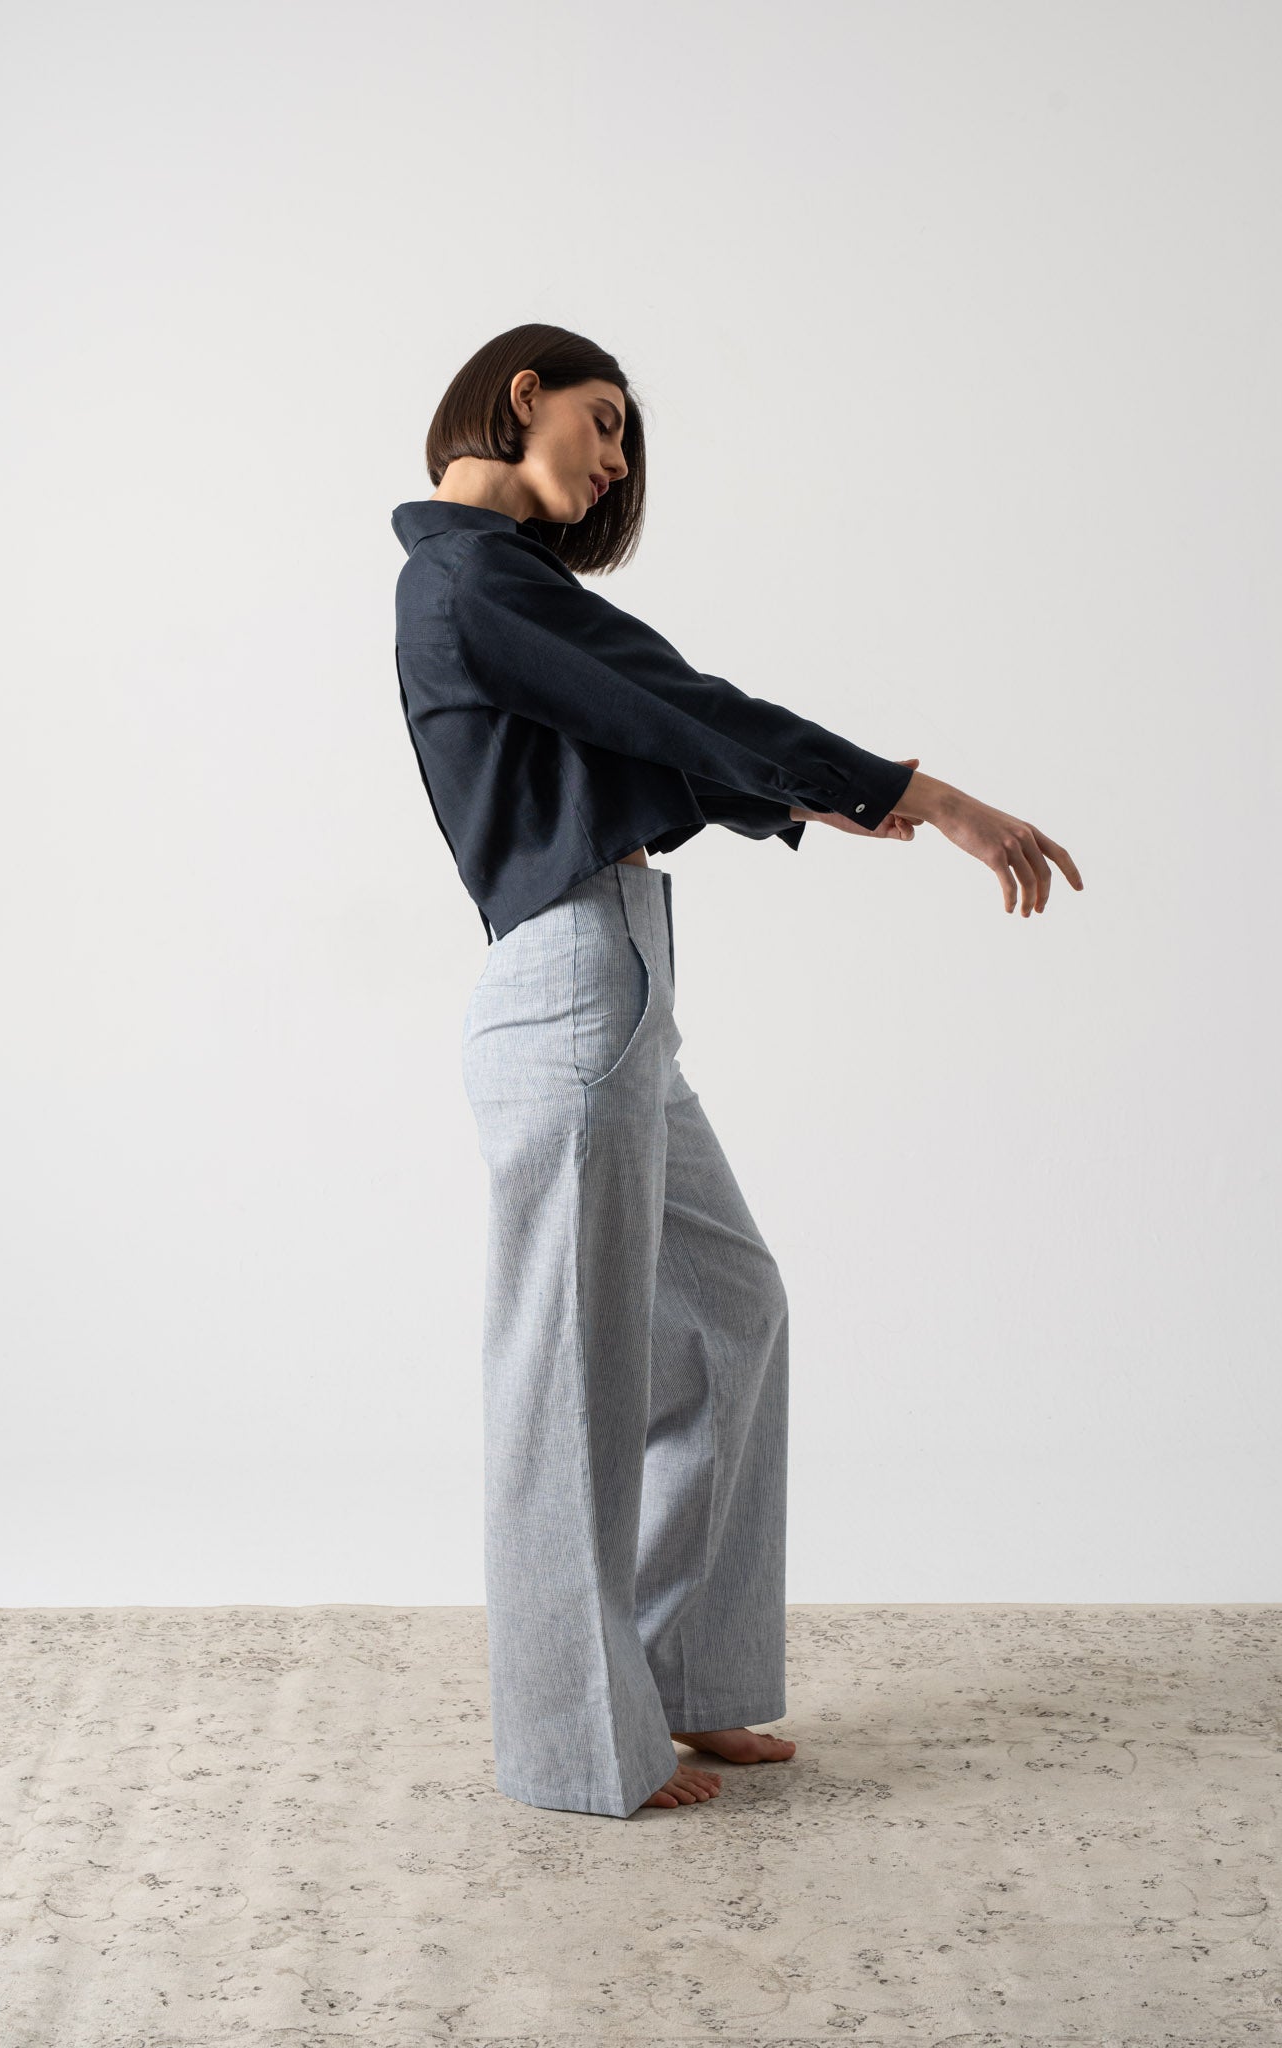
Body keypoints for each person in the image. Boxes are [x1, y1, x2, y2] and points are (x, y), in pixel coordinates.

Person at [391, 324, 1082, 1820]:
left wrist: (822, 802)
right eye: (604, 422)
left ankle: (683, 1678)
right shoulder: (467, 580)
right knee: (569, 1373)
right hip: (569, 983)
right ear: (523, 396)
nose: (616, 460)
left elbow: (655, 734)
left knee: (727, 1311)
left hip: (617, 983)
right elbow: (678, 700)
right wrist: (917, 791)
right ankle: (580, 1748)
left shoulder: (500, 592)